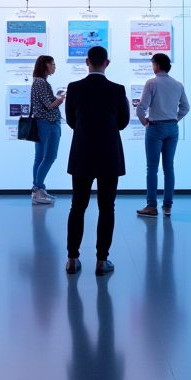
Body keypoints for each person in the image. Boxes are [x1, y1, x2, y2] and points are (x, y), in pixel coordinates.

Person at [64, 45, 131, 276]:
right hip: (108, 155)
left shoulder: (74, 88)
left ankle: (72, 259)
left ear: (86, 62)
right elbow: (122, 122)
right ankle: (102, 261)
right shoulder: (117, 89)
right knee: (106, 207)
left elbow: (71, 121)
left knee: (77, 206)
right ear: (107, 63)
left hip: (82, 153)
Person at [135, 52, 190, 218]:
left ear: (156, 65)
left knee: (152, 168)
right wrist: (174, 119)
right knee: (169, 167)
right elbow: (186, 107)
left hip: (155, 127)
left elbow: (141, 107)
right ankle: (167, 206)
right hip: (172, 128)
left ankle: (151, 206)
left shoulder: (151, 83)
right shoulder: (178, 84)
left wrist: (145, 122)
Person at [30, 54, 66, 204]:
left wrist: (55, 98)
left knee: (39, 157)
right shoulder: (41, 83)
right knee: (49, 157)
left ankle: (38, 189)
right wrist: (61, 98)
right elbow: (49, 105)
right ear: (44, 65)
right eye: (52, 64)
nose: (54, 67)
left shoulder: (38, 82)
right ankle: (38, 189)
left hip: (41, 123)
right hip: (48, 124)